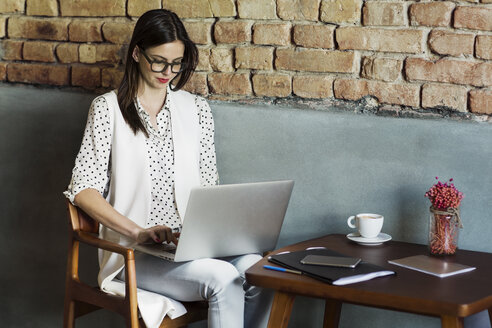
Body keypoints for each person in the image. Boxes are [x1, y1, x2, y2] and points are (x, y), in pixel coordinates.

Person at [64, 9, 271, 328]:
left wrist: (220, 233)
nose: (168, 72)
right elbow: (83, 190)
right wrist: (138, 231)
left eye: (176, 63)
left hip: (191, 245)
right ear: (136, 52)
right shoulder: (108, 109)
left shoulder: (197, 109)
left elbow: (209, 187)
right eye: (159, 61)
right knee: (222, 278)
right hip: (135, 253)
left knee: (259, 269)